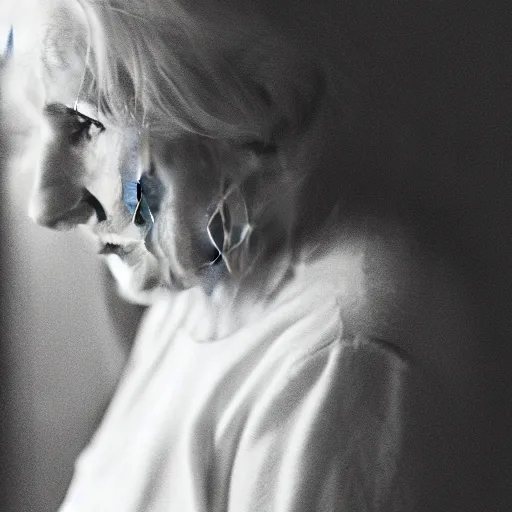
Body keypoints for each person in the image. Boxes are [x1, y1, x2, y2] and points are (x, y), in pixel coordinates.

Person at [6, 0, 495, 510]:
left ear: (264, 108)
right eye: (33, 129)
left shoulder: (339, 364)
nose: (46, 205)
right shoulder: (206, 279)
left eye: (87, 123)